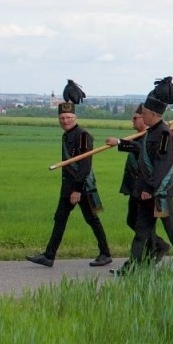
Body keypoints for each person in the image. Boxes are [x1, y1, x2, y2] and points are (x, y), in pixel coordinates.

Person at [27, 85, 114, 269]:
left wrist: (77, 190)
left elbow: (85, 165)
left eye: (68, 118)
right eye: (62, 118)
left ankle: (105, 253)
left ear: (75, 118)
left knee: (92, 219)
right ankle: (49, 256)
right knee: (60, 218)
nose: (65, 121)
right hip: (68, 187)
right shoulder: (66, 136)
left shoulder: (83, 136)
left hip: (82, 187)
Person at [111, 77, 173, 271]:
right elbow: (142, 149)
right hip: (147, 190)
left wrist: (149, 188)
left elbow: (162, 164)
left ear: (153, 114)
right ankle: (133, 268)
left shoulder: (163, 134)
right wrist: (121, 144)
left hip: (158, 192)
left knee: (172, 229)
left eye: (144, 113)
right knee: (142, 230)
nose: (142, 115)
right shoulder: (153, 131)